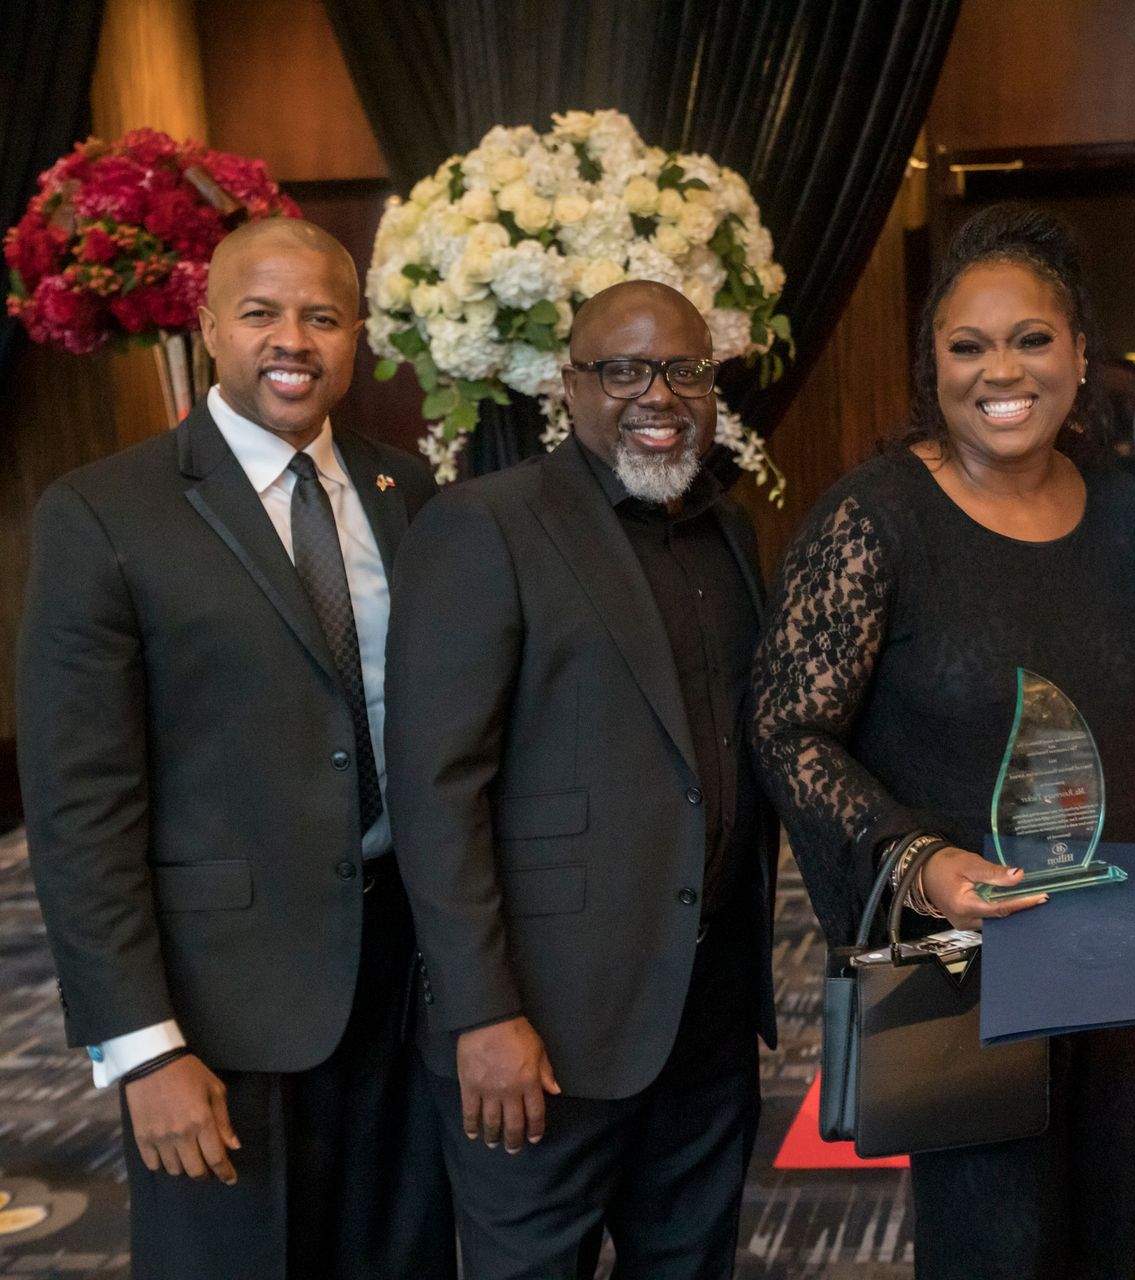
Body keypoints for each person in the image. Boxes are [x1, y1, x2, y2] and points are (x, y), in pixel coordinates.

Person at [16, 218, 455, 1278]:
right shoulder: (104, 512)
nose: (291, 339)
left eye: (321, 315)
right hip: (219, 1006)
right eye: (260, 312)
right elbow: (81, 807)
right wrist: (141, 1044)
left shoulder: (412, 496)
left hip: (404, 981)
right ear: (210, 325)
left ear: (357, 336)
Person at [751, 204, 1135, 1280]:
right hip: (960, 956)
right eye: (968, 344)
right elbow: (788, 729)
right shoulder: (874, 519)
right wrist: (918, 862)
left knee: (1106, 1221)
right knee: (997, 1240)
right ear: (931, 364)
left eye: (1032, 338)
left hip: (1110, 936)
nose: (1004, 369)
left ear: (1081, 352)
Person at [384, 279, 776, 1279]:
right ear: (572, 385)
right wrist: (481, 1012)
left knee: (691, 1262)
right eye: (624, 369)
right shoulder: (488, 524)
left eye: (684, 369)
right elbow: (436, 791)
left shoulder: (727, 530)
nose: (658, 393)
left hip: (705, 1012)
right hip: (541, 1028)